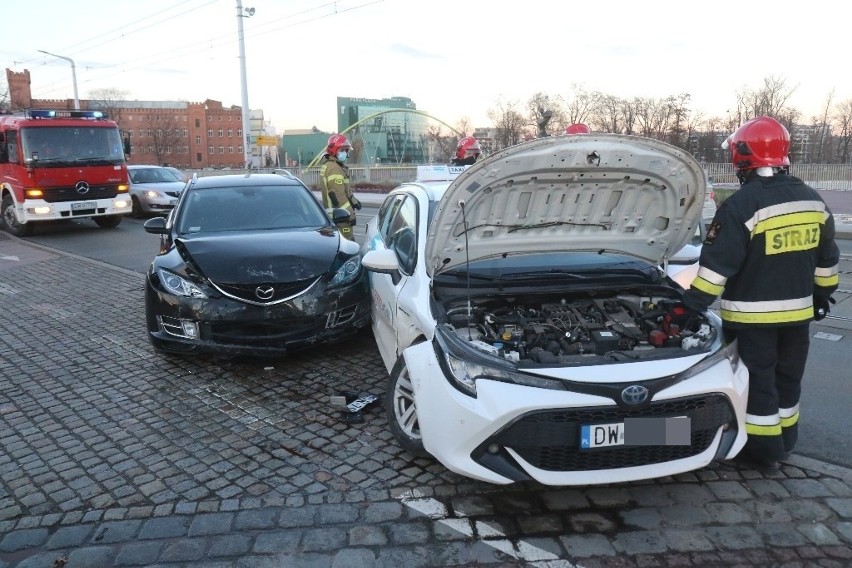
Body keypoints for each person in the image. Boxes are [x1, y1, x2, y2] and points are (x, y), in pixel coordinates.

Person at [680, 115, 840, 470]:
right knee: (788, 381)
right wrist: (822, 297)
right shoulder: (813, 202)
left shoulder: (740, 207)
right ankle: (786, 443)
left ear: (743, 156)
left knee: (758, 384)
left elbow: (714, 273)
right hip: (798, 319)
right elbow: (827, 263)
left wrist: (687, 308)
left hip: (752, 321)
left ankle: (762, 453)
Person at [318, 134, 361, 241]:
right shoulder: (334, 168)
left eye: (346, 151)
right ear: (334, 150)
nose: (345, 153)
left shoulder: (330, 165)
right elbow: (339, 195)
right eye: (343, 150)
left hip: (334, 214)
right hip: (340, 216)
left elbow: (343, 189)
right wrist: (350, 215)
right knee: (348, 243)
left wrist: (353, 200)